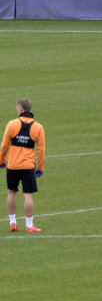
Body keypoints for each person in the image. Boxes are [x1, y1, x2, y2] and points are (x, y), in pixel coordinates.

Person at [0, 99, 45, 233]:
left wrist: (2, 160)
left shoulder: (12, 124)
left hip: (12, 165)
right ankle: (29, 225)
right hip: (27, 165)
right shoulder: (38, 127)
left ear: (20, 110)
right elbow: (41, 150)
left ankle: (12, 223)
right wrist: (40, 168)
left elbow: (4, 145)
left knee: (11, 192)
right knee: (28, 195)